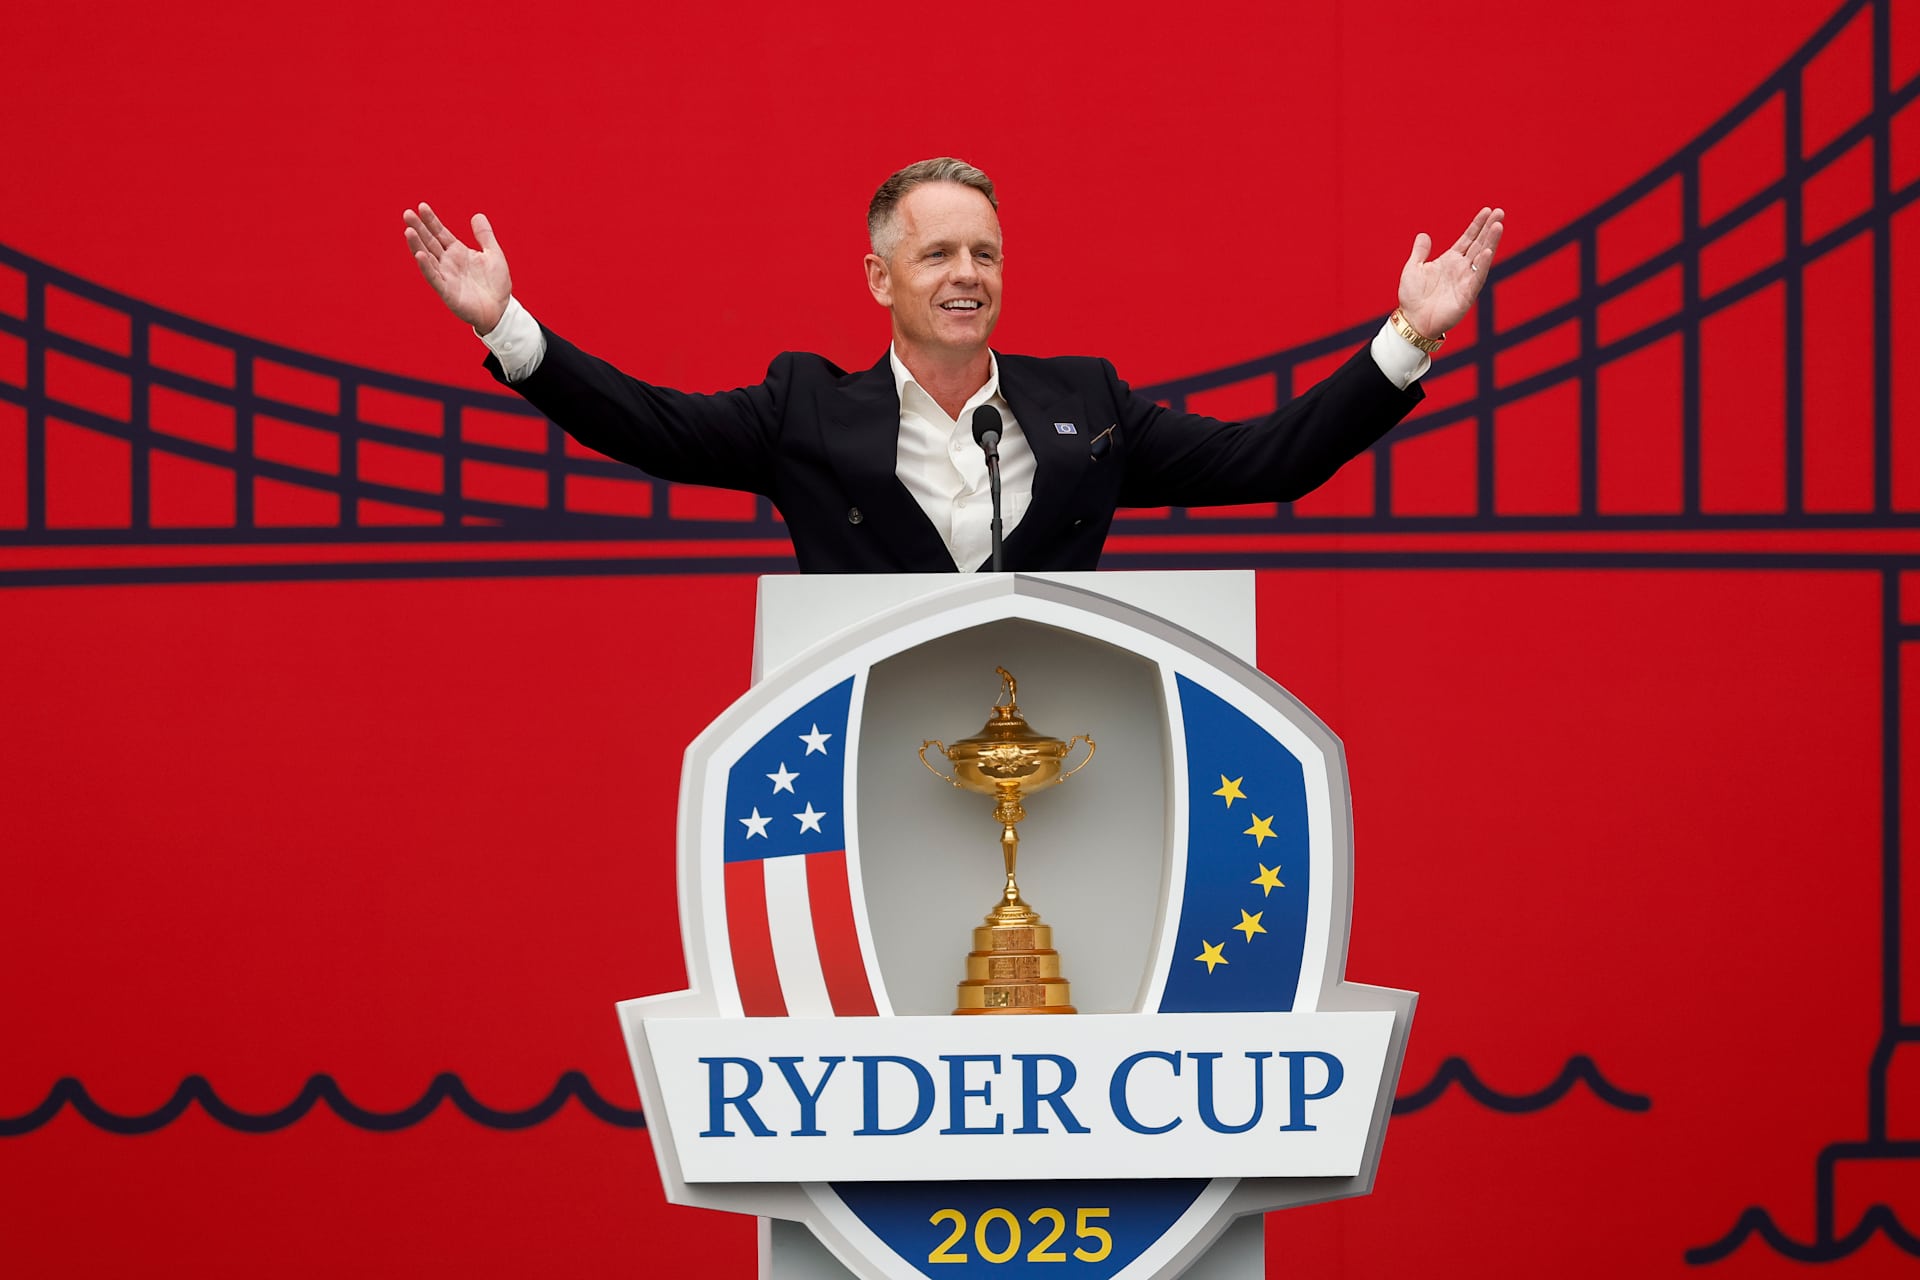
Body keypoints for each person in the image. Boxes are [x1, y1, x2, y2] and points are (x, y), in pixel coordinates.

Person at [403, 158, 1502, 573]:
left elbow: (1271, 460)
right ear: (880, 278)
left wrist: (1407, 338)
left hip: (1060, 758)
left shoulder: (1087, 404)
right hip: (869, 753)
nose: (967, 275)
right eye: (937, 255)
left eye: (986, 253)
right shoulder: (803, 409)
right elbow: (647, 423)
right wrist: (510, 330)